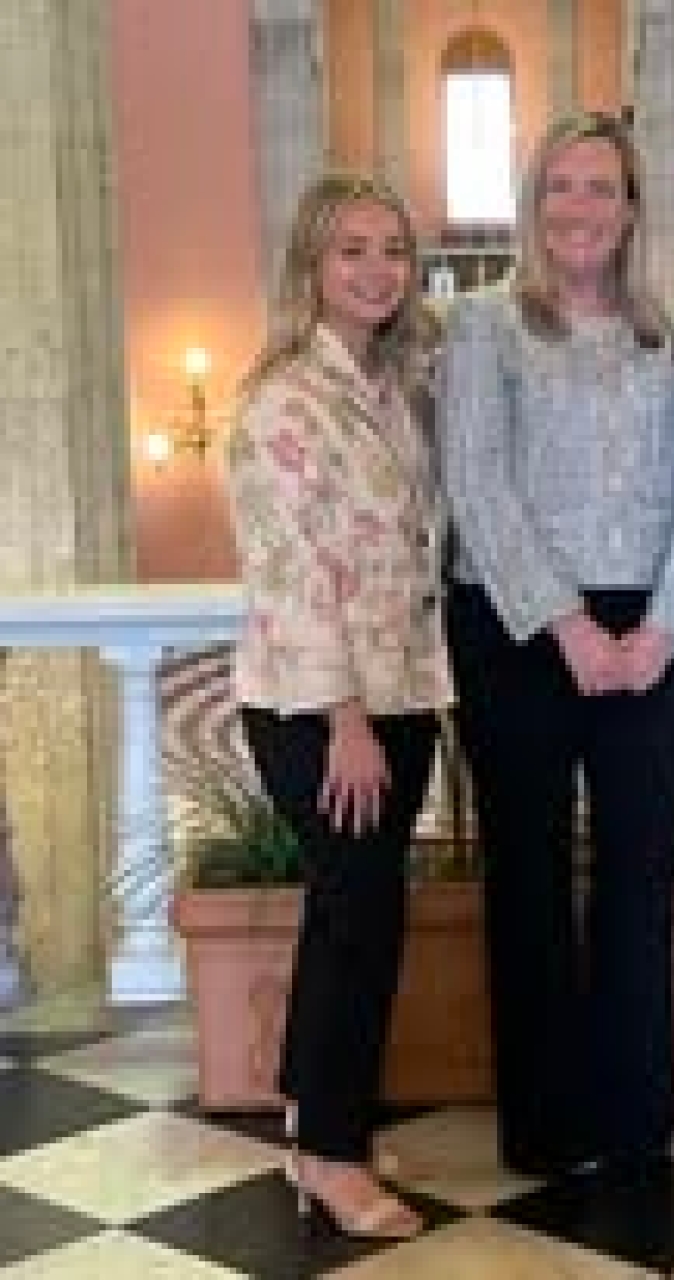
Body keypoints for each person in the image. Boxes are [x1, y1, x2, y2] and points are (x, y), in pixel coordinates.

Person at [440, 111, 674, 1176]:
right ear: (531, 206)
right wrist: (567, 625)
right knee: (527, 872)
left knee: (638, 873)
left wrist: (659, 628)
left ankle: (632, 1111)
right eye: (558, 185)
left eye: (600, 186)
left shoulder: (670, 337)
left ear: (632, 208)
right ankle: (546, 1122)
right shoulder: (483, 327)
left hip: (649, 632)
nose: (578, 207)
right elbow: (477, 482)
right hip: (515, 628)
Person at [225, 172, 453, 1236]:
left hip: (403, 688)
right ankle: (328, 1155)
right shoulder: (280, 400)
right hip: (326, 710)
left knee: (351, 916)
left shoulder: (391, 383)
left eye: (392, 250)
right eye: (350, 250)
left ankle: (327, 1113)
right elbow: (292, 573)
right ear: (309, 266)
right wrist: (344, 720)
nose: (374, 269)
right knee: (358, 920)